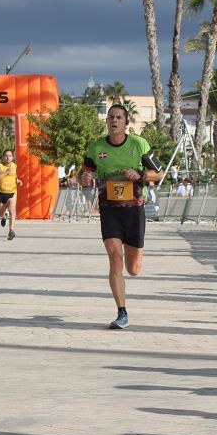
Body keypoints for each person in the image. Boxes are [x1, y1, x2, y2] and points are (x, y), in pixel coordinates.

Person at [78, 104, 161, 329]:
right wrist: (83, 179)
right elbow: (84, 174)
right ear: (107, 122)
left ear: (126, 122)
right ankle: (121, 312)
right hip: (109, 210)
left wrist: (141, 174)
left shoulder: (139, 144)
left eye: (118, 117)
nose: (114, 120)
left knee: (133, 269)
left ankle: (132, 265)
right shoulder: (96, 148)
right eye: (110, 117)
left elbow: (159, 172)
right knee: (115, 258)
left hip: (134, 210)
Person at [0, 150, 22, 240]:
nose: (8, 157)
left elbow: (15, 176)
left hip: (12, 192)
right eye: (6, 156)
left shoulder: (14, 166)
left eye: (10, 156)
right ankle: (4, 215)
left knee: (12, 211)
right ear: (3, 157)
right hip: (1, 193)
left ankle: (11, 231)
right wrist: (6, 172)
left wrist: (18, 181)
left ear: (12, 157)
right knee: (0, 213)